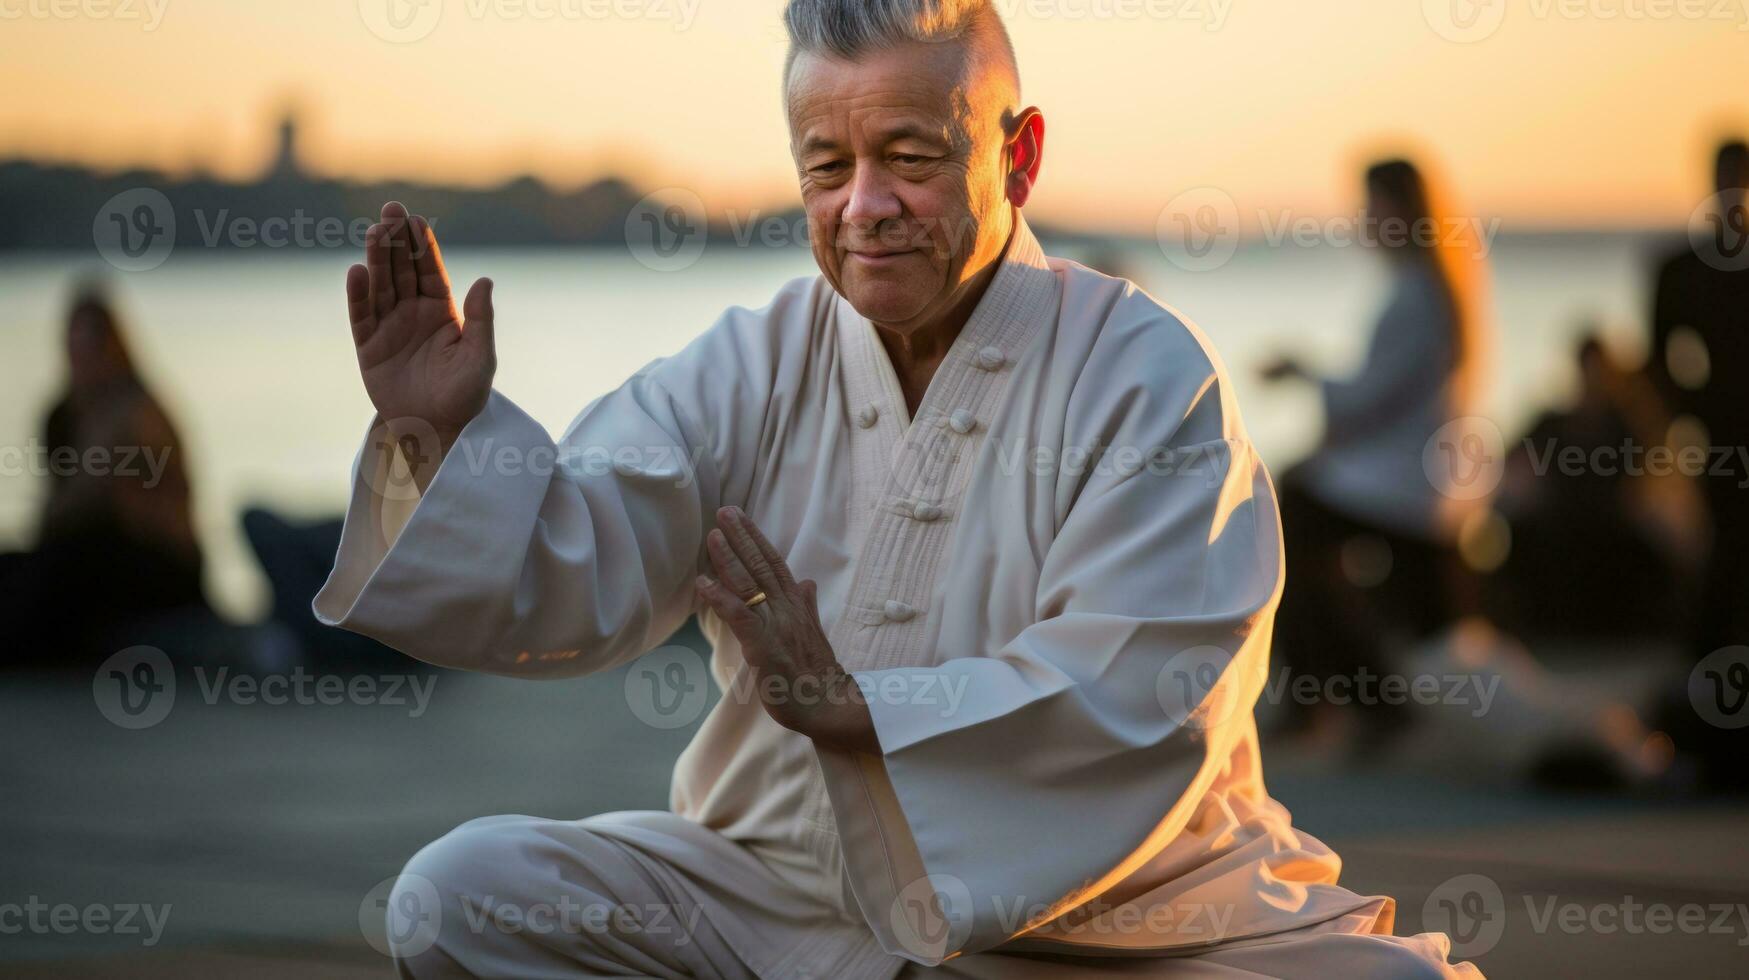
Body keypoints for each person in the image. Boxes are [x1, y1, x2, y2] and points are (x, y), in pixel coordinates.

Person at [317, 2, 1480, 975]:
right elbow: (573, 566)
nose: (863, 204)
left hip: (1112, 924)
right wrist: (439, 427)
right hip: (779, 893)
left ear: (1018, 156)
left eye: (910, 157)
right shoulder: (752, 358)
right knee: (458, 895)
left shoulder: (1143, 370)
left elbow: (1151, 685)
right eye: (827, 166)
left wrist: (861, 707)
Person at [1259, 158, 1491, 741]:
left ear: (1400, 209)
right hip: (1416, 478)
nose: (1363, 217)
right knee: (1303, 517)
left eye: (1372, 204)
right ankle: (1346, 693)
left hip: (1407, 487)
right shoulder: (1434, 287)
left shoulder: (1417, 294)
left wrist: (1299, 369)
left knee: (1287, 519)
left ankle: (1347, 696)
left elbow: (1367, 399)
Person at [0, 288, 209, 669]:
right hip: (90, 547)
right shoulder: (63, 416)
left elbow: (151, 519)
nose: (82, 363)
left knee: (67, 563)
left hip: (157, 561)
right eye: (74, 350)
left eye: (91, 349)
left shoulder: (140, 413)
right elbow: (57, 512)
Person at [1645, 139, 1749, 791]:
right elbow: (1661, 362)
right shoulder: (1680, 268)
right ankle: (1712, 716)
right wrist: (1697, 414)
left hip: (1717, 437)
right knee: (1725, 570)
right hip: (1718, 443)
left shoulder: (1684, 267)